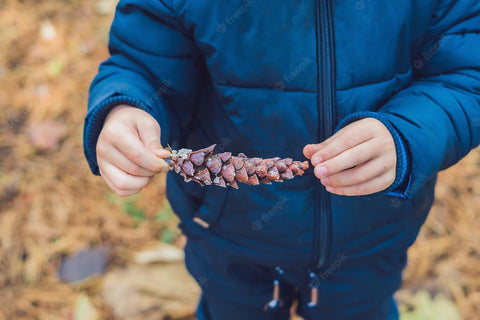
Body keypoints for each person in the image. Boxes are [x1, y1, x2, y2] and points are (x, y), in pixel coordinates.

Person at [83, 1, 480, 319]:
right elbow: (145, 65)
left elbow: (466, 73)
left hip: (367, 240)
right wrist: (128, 108)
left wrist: (408, 135)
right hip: (229, 237)